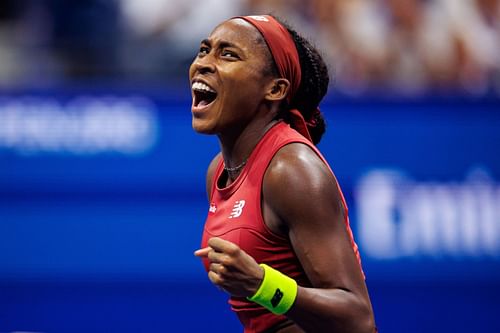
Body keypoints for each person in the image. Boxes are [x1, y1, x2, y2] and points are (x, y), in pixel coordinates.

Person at [192, 14, 376, 333]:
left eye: (228, 54)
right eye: (204, 50)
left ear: (275, 89)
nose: (204, 63)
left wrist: (262, 284)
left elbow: (358, 318)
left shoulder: (291, 170)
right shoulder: (218, 170)